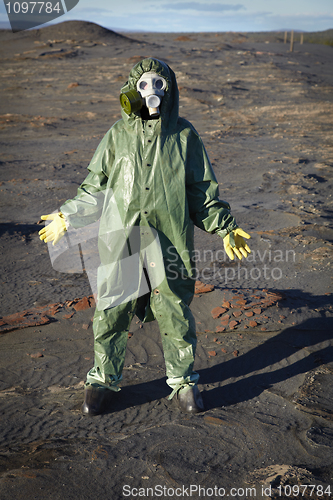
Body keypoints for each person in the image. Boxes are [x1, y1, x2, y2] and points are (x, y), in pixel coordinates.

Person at [39, 58, 251, 416]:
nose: (150, 92)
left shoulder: (184, 137)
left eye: (158, 84)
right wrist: (67, 215)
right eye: (143, 85)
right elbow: (95, 188)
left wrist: (225, 227)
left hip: (169, 238)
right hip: (121, 236)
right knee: (112, 309)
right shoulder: (117, 136)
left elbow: (201, 192)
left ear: (169, 90)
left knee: (174, 310)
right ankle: (103, 380)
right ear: (132, 90)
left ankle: (183, 382)